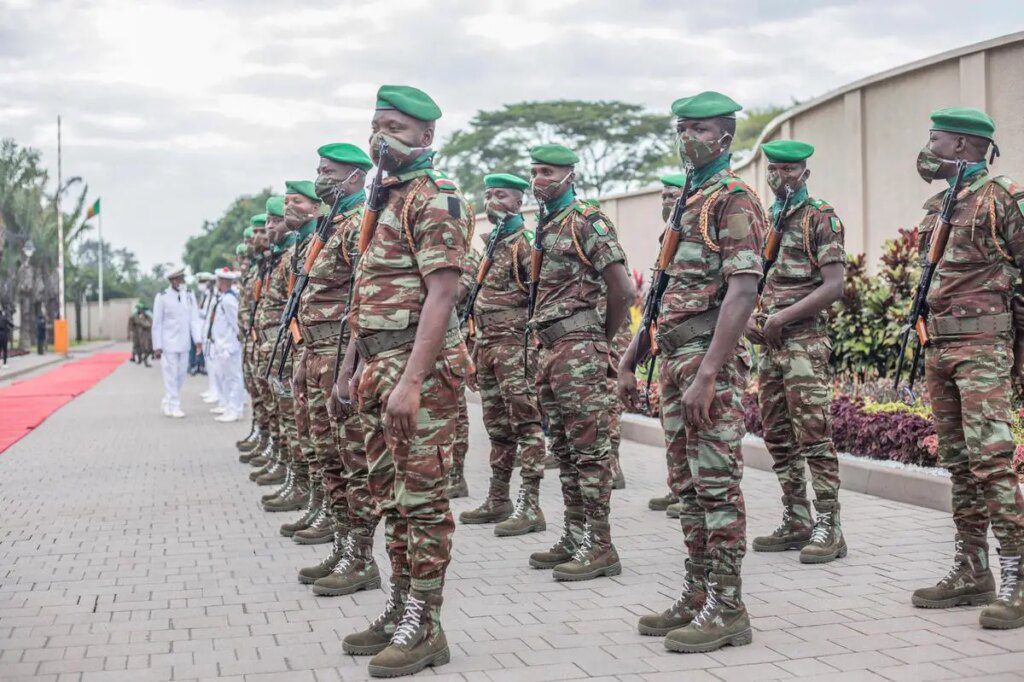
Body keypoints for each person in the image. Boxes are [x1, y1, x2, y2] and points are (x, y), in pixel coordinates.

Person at [619, 91, 766, 652]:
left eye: (698, 129)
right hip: (674, 360)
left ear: (724, 137)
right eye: (681, 128)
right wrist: (634, 355)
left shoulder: (733, 200)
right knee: (686, 486)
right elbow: (661, 291)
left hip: (707, 364)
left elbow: (743, 290)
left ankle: (728, 607)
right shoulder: (689, 199)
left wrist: (708, 373)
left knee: (716, 484)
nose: (687, 138)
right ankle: (698, 592)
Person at [338, 84, 472, 677]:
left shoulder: (435, 198)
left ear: (425, 136)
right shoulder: (384, 199)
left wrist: (411, 380)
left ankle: (426, 623)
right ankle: (398, 609)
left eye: (393, 125)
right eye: (375, 124)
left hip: (418, 372)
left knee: (422, 502)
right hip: (377, 367)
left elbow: (443, 293)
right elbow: (364, 298)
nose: (379, 136)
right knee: (389, 498)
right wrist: (350, 366)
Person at [908, 107, 1024, 630]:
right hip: (941, 349)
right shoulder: (939, 203)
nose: (926, 147)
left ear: (960, 146)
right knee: (958, 463)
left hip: (984, 350)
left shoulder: (1004, 199)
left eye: (934, 138)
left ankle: (1017, 578)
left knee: (993, 464)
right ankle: (973, 569)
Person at [525, 143, 634, 582]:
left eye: (548, 172)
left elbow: (623, 290)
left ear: (571, 175)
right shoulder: (547, 225)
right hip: (551, 349)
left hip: (578, 347)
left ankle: (601, 544)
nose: (539, 180)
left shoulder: (586, 220)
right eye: (535, 172)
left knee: (590, 450)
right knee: (565, 450)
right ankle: (575, 535)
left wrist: (598, 342)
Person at [747, 139, 847, 563]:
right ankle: (796, 517)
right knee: (777, 434)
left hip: (804, 343)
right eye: (774, 168)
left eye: (789, 170)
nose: (779, 176)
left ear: (805, 172)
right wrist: (752, 318)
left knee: (813, 435)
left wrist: (783, 317)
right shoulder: (766, 218)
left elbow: (834, 285)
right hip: (769, 345)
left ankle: (830, 525)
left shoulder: (819, 217)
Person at [457, 172, 548, 537]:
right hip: (489, 347)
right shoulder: (491, 245)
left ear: (518, 201)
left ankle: (531, 503)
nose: (493, 202)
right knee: (497, 427)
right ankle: (498, 497)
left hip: (516, 347)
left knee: (525, 424)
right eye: (489, 195)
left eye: (502, 196)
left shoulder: (525, 243)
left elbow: (539, 297)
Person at [261, 181, 322, 515]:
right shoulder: (295, 251)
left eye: (294, 201)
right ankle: (303, 488)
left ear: (315, 207)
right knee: (298, 425)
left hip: (321, 351)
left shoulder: (321, 241)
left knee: (322, 437)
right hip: (296, 350)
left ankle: (319, 502)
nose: (275, 222)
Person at [647, 174, 686, 515]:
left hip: (694, 345)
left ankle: (691, 493)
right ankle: (677, 488)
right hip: (670, 344)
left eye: (671, 194)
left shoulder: (691, 228)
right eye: (662, 195)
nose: (665, 201)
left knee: (691, 428)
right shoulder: (667, 235)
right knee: (671, 425)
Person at [152, 267, 201, 418]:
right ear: (173, 281)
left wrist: (198, 340)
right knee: (170, 375)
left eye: (183, 279)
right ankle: (175, 405)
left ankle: (168, 400)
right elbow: (157, 323)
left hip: (185, 342)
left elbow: (194, 319)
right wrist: (157, 346)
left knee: (180, 375)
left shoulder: (189, 295)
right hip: (168, 344)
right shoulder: (162, 297)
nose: (183, 282)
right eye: (180, 279)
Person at [205, 268, 244, 422]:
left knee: (234, 379)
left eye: (219, 281)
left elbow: (237, 324)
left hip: (230, 347)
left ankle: (236, 410)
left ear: (223, 282)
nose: (217, 283)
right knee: (227, 379)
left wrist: (235, 344)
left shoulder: (229, 300)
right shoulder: (223, 298)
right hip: (223, 346)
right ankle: (229, 407)